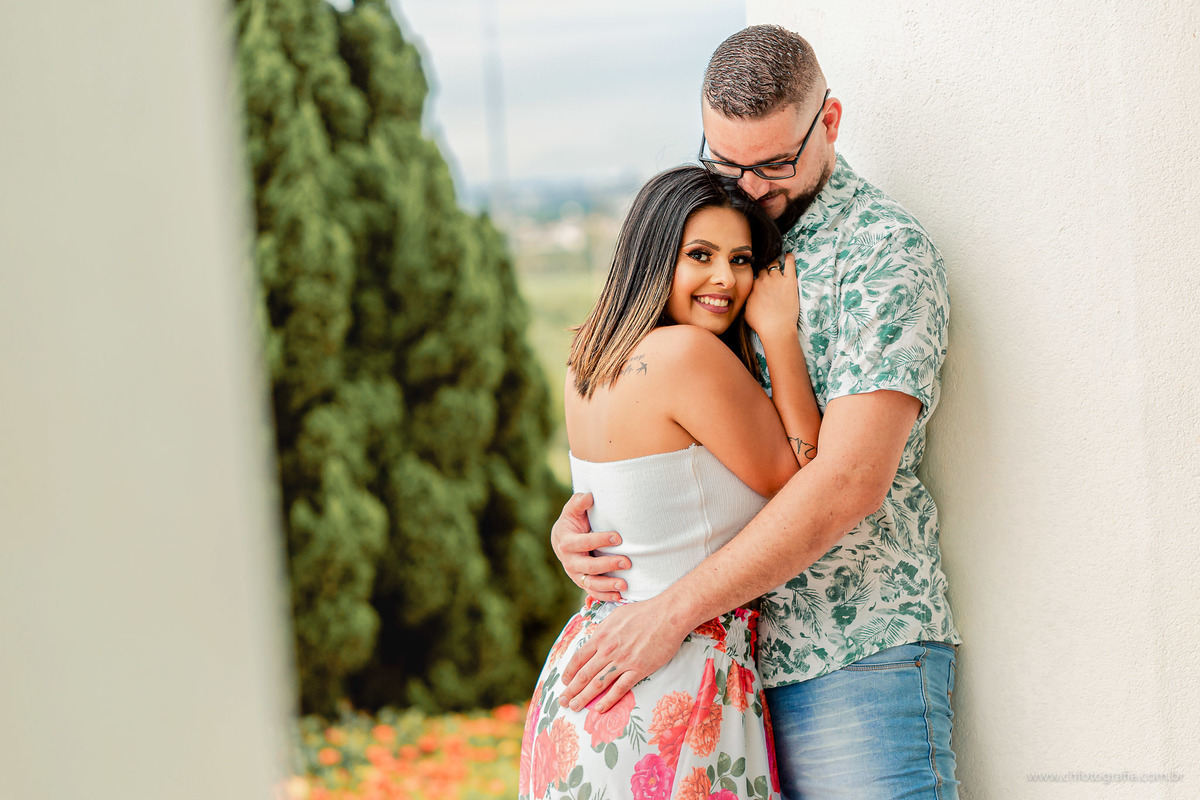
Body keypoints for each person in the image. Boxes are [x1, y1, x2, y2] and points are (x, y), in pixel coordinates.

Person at [551, 25, 961, 800]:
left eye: (774, 163)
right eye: (724, 160)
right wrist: (596, 527)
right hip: (715, 668)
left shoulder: (883, 253)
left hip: (850, 653)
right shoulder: (713, 232)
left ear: (829, 123)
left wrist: (669, 611)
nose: (748, 184)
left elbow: (846, 483)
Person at [518, 165, 823, 800]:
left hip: (588, 684)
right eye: (701, 255)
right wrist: (780, 334)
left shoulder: (589, 357)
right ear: (655, 258)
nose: (728, 280)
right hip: (671, 685)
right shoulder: (687, 355)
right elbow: (805, 479)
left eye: (741, 259)